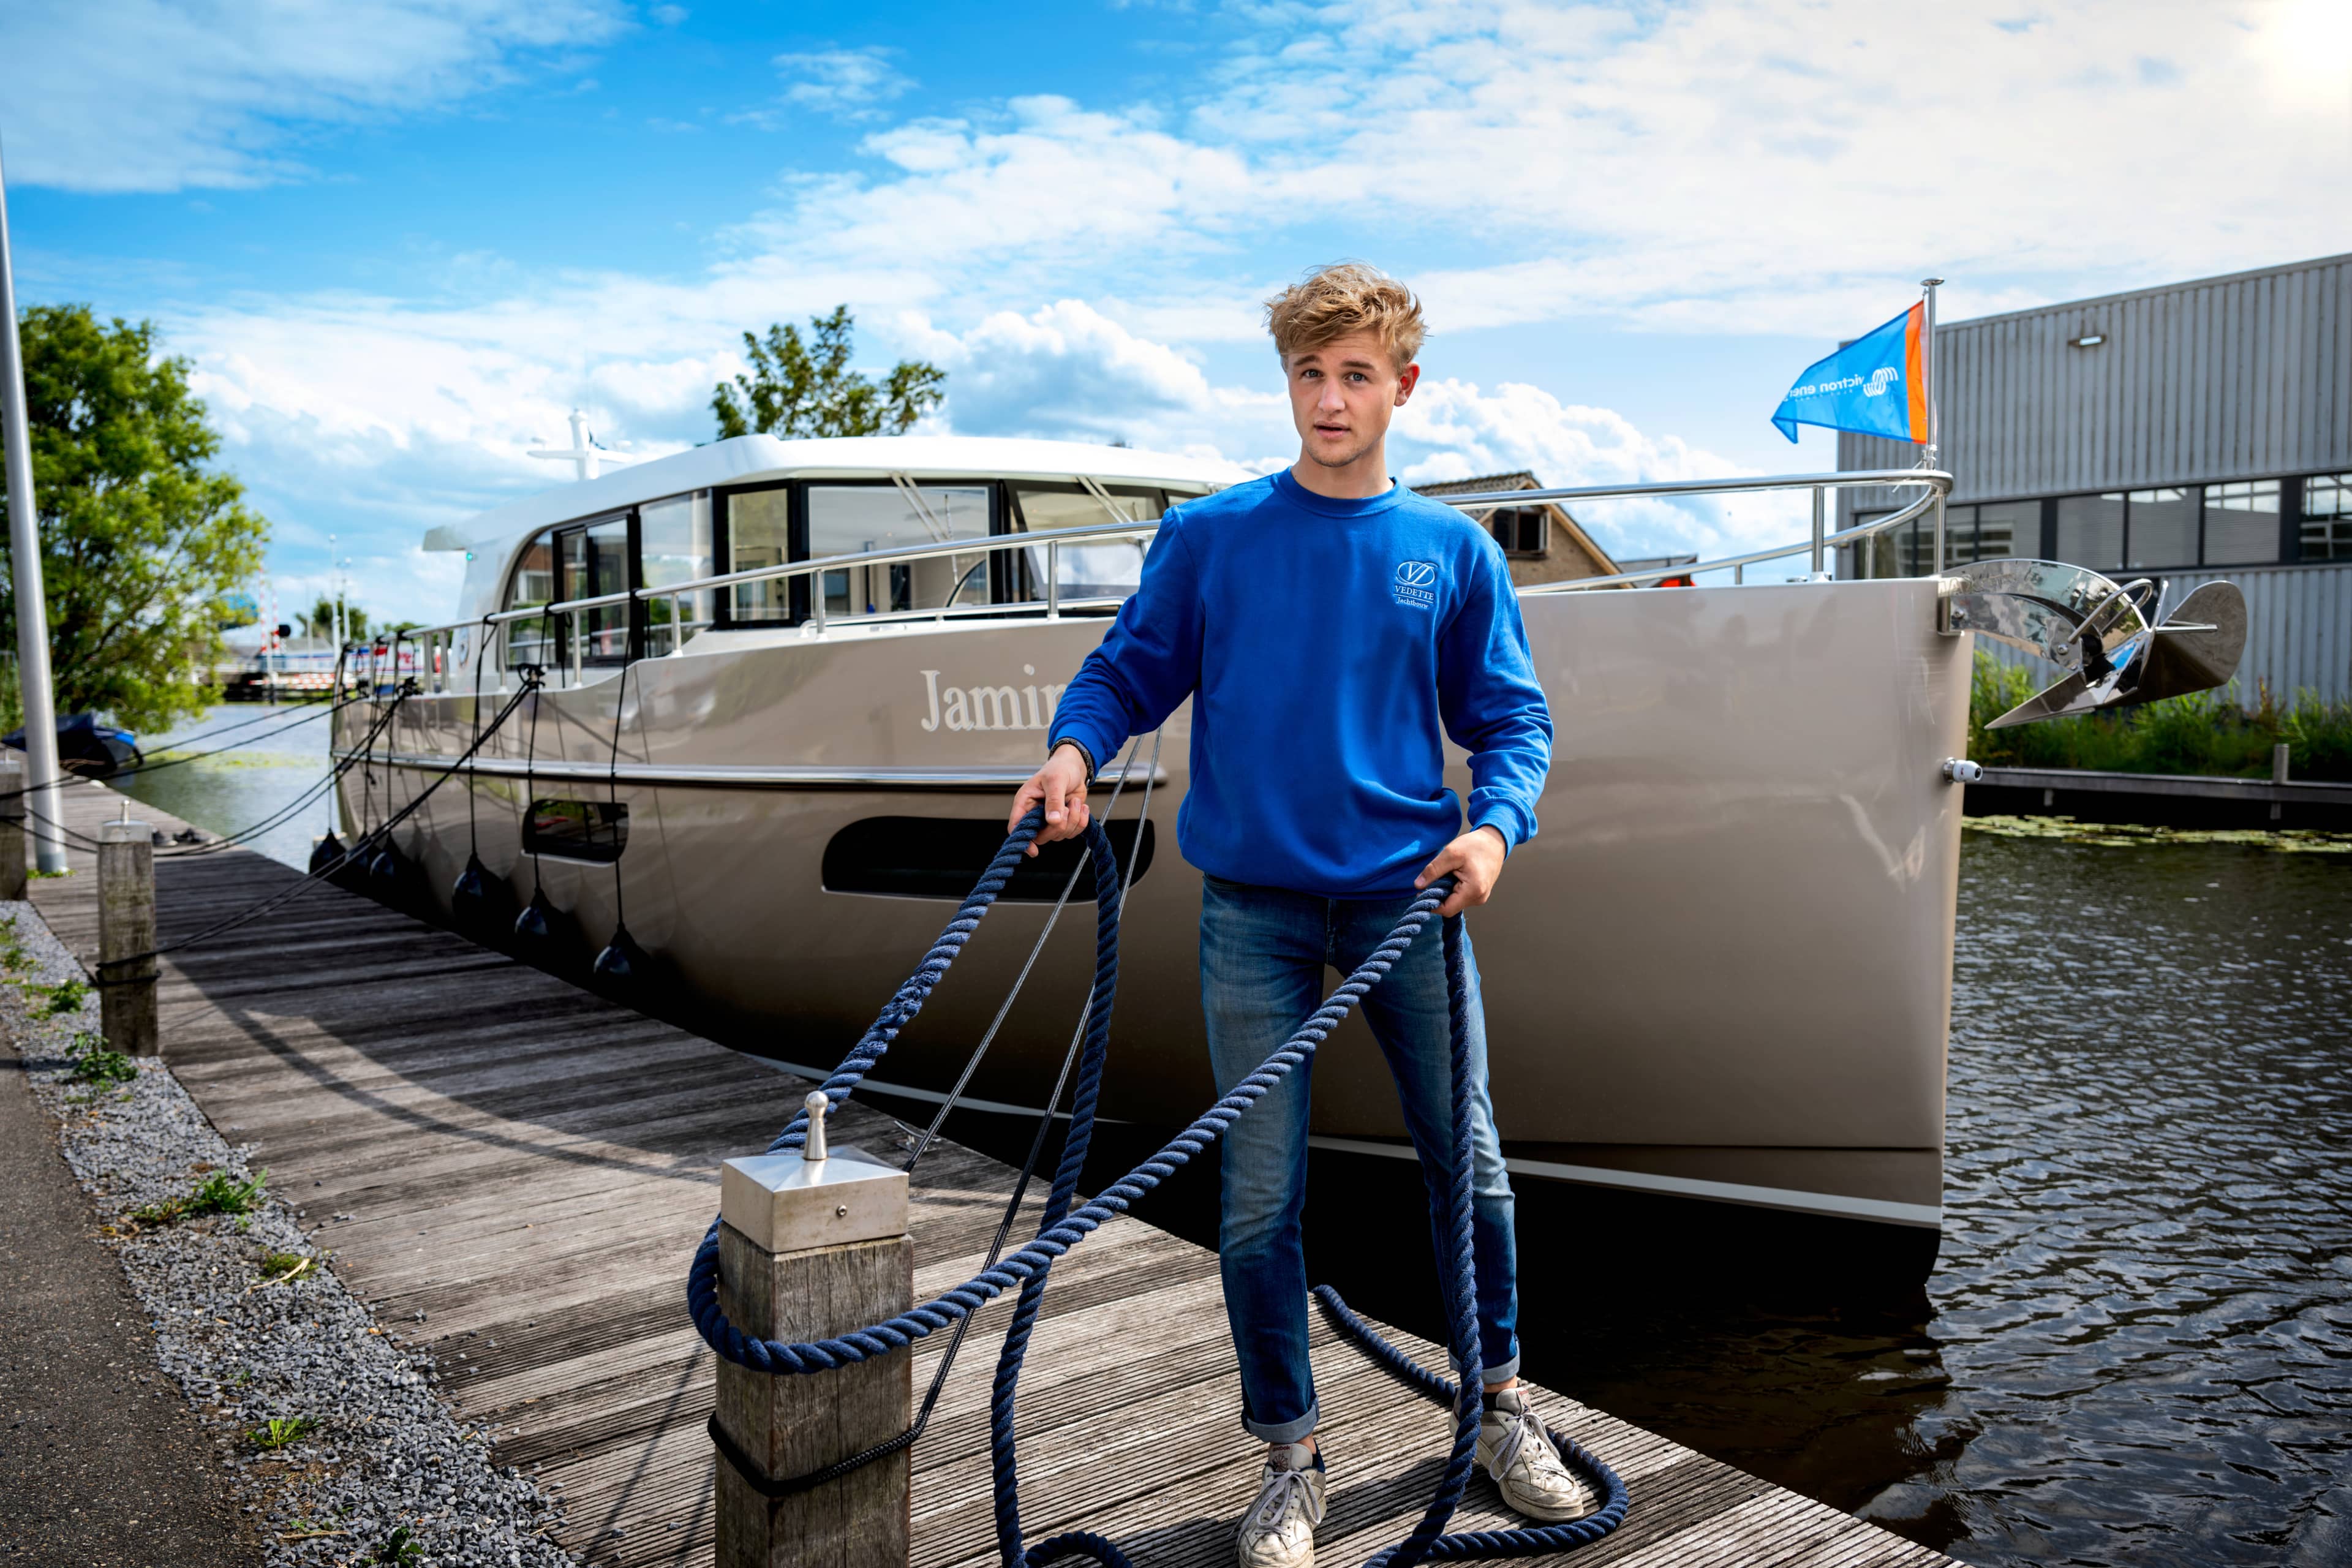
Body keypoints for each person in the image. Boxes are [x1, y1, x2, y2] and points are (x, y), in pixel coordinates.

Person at [1006, 263, 1594, 1568]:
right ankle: (1290, 1457)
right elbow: (1126, 671)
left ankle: (1499, 1408)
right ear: (1287, 382)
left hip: (1408, 903)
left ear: (1403, 386)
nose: (1330, 399)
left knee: (1471, 1167)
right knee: (1261, 1196)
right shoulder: (1212, 537)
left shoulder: (1451, 551)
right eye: (1309, 374)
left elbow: (1512, 719)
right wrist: (1072, 752)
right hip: (1253, 914)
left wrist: (1495, 826)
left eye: (1356, 375)